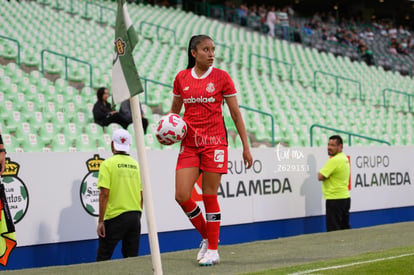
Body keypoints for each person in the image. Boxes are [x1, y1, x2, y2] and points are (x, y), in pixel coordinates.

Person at [158, 34, 253, 266]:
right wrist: (168, 130)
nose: (211, 54)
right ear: (194, 53)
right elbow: (174, 112)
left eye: (213, 49)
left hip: (215, 143)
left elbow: (235, 114)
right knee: (181, 195)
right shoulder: (181, 78)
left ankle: (213, 249)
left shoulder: (222, 77)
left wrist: (245, 147)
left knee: (209, 195)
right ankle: (206, 235)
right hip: (189, 145)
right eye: (205, 50)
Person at [96, 129, 143, 261]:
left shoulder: (107, 164)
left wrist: (100, 221)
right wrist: (138, 215)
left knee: (103, 258)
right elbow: (141, 194)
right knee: (132, 259)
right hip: (134, 216)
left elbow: (104, 194)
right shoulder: (136, 165)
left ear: (112, 144)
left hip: (114, 217)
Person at [317, 135, 351, 232]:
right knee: (345, 229)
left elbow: (320, 176)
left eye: (332, 145)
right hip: (345, 198)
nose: (329, 147)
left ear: (340, 147)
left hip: (334, 199)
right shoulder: (344, 157)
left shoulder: (334, 160)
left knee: (333, 231)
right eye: (328, 145)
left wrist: (326, 176)